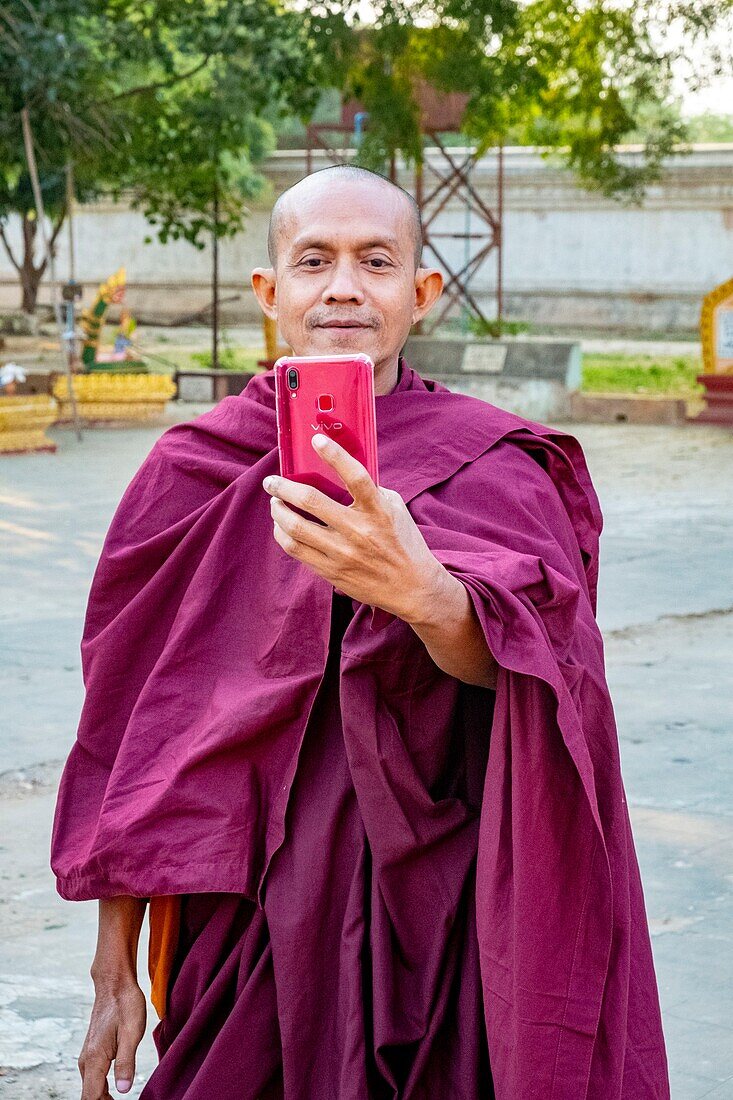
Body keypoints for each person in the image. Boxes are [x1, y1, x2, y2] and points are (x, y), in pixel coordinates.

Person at [51, 164, 669, 1100]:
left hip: (441, 911)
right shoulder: (192, 470)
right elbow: (131, 739)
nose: (343, 286)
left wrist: (426, 595)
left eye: (375, 260)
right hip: (245, 921)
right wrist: (113, 970)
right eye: (314, 260)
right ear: (271, 292)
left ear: (420, 291)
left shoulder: (499, 464)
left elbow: (544, 682)